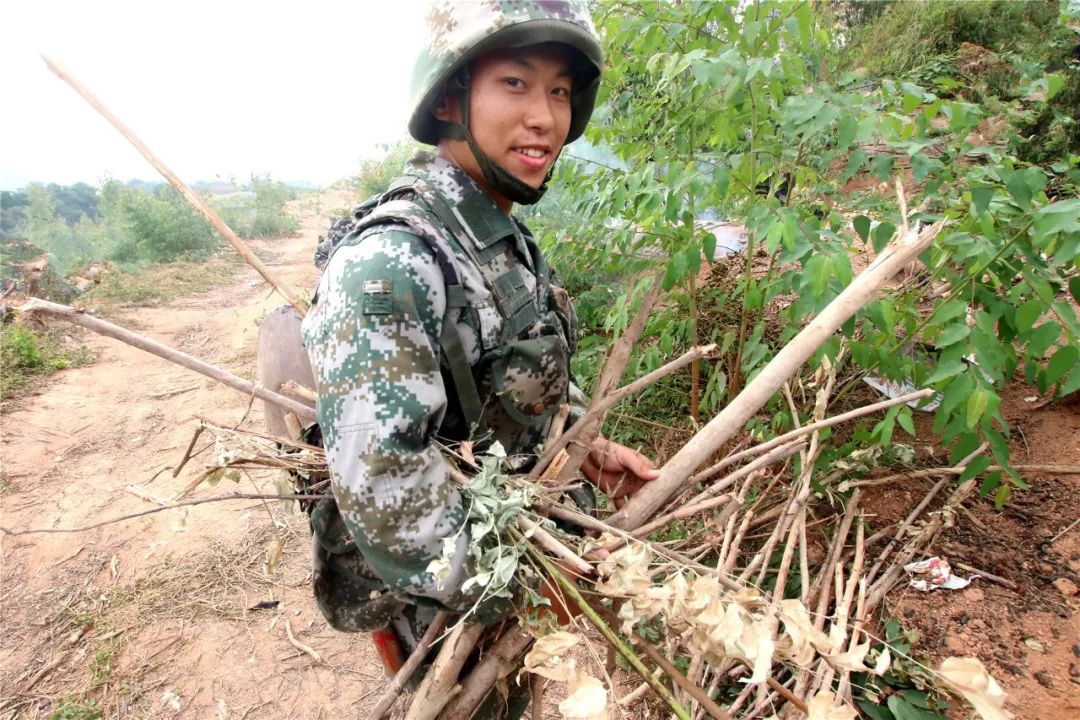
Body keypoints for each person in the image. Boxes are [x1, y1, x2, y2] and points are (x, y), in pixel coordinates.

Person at [297, 0, 658, 655]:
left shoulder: (495, 238)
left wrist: (585, 444)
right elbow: (386, 491)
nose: (544, 117)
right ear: (446, 99)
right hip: (444, 608)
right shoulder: (392, 262)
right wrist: (526, 586)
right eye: (515, 83)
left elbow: (508, 373)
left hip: (516, 545)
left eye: (559, 92)